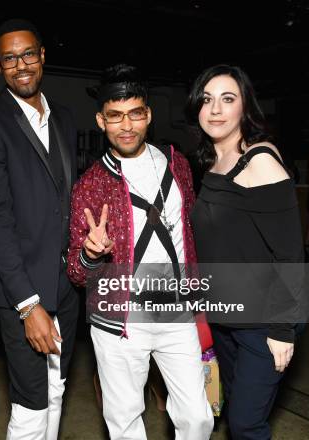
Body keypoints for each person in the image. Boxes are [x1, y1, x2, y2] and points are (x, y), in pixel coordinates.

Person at [67, 64, 214, 440]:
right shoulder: (90, 184)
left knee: (198, 417)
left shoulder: (177, 163)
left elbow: (189, 233)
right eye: (115, 116)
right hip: (120, 322)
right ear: (101, 121)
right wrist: (90, 252)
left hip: (176, 312)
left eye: (135, 113)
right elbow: (77, 273)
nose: (126, 125)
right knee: (125, 420)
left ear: (148, 115)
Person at [0, 19, 79, 440]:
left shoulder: (64, 118)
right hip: (21, 290)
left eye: (28, 54)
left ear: (43, 56)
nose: (21, 65)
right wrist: (28, 306)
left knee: (57, 389)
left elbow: (63, 200)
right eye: (9, 58)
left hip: (67, 286)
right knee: (30, 403)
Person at [186, 64, 304, 439]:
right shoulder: (212, 162)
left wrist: (283, 329)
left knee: (245, 423)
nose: (216, 109)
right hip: (226, 318)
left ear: (244, 108)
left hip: (263, 322)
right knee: (234, 407)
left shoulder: (260, 162)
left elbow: (289, 255)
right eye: (207, 100)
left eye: (227, 99)